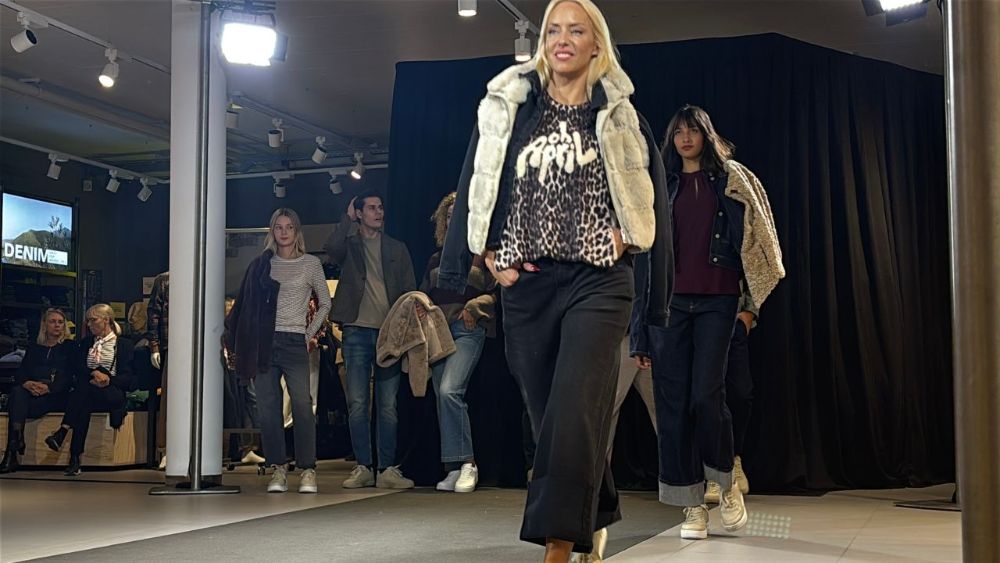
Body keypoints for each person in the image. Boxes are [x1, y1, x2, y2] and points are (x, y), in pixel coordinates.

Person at [437, 1, 672, 559]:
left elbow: (652, 195)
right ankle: (595, 511)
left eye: (576, 30)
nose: (562, 39)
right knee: (550, 420)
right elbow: (477, 180)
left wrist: (630, 240)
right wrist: (481, 254)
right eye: (553, 30)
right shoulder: (511, 110)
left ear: (597, 44)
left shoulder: (619, 115)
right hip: (529, 284)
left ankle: (559, 545)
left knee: (573, 409)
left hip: (598, 282)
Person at [636, 104, 783, 540]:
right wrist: (640, 331)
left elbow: (757, 238)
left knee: (707, 395)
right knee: (673, 405)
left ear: (706, 135)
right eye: (679, 132)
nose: (685, 138)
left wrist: (749, 305)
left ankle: (725, 481)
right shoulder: (661, 185)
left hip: (718, 300)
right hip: (669, 306)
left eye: (693, 131)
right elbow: (644, 262)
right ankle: (692, 506)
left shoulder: (729, 180)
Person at [225, 208, 330, 494]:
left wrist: (308, 333)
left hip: (295, 341)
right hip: (264, 343)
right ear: (272, 231)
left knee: (302, 406)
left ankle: (307, 469)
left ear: (297, 231)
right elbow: (246, 305)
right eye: (278, 227)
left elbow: (325, 303)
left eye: (289, 227)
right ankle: (278, 468)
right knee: (268, 408)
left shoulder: (310, 264)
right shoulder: (262, 264)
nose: (284, 232)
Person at [324, 191, 417, 489]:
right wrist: (346, 218)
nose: (379, 212)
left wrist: (404, 331)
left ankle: (386, 468)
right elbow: (330, 248)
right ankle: (363, 466)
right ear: (360, 213)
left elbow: (409, 291)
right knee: (357, 402)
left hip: (388, 334)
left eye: (381, 207)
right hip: (355, 330)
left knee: (388, 404)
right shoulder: (350, 244)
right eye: (372, 208)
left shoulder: (397, 248)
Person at [419, 192, 496, 493]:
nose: (453, 221)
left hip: (467, 330)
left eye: (459, 215)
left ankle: (468, 463)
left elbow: (500, 292)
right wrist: (421, 307)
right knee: (442, 397)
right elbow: (425, 294)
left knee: (450, 390)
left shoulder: (482, 254)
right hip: (439, 333)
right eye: (449, 216)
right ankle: (452, 466)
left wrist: (475, 308)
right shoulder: (435, 259)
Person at [44, 303, 135, 476]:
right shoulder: (86, 343)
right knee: (84, 402)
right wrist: (94, 372)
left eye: (93, 320)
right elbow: (78, 368)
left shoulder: (124, 344)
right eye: (88, 321)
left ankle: (63, 431)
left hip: (112, 391)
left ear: (106, 320)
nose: (89, 324)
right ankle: (75, 458)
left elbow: (129, 379)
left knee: (81, 392)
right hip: (89, 390)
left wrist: (108, 379)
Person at [0, 309, 77, 474]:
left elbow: (69, 376)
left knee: (17, 401)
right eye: (52, 322)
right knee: (18, 392)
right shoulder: (34, 347)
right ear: (44, 325)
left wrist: (49, 388)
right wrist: (28, 383)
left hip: (56, 395)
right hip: (31, 393)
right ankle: (15, 444)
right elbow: (21, 373)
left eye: (60, 322)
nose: (57, 325)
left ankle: (13, 451)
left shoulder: (69, 347)